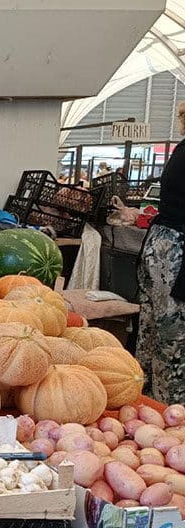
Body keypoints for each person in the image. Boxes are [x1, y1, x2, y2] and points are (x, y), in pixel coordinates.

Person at [138, 102, 185, 406]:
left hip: (161, 246)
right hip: (176, 253)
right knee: (173, 342)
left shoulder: (181, 150)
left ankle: (145, 406)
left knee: (152, 331)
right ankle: (171, 418)